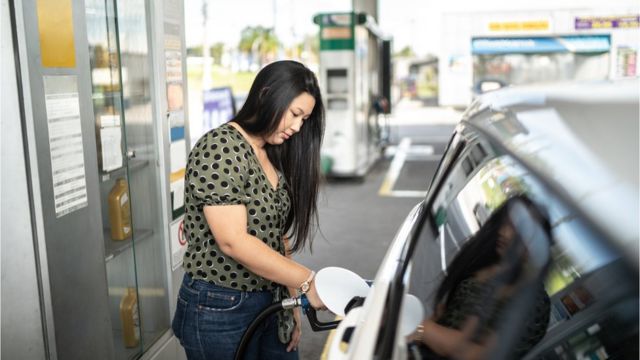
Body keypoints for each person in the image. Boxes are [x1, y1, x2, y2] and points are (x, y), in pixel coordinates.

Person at [171, 60, 326, 360]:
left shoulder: (270, 152)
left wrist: (293, 302)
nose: (297, 127)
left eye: (304, 120)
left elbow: (277, 237)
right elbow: (233, 241)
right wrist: (307, 280)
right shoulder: (220, 147)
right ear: (267, 94)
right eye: (295, 114)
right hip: (219, 307)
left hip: (272, 301)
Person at [410, 196, 551, 360]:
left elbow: (479, 354)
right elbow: (443, 316)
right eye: (505, 224)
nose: (504, 233)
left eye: (518, 229)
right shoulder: (491, 265)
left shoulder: (534, 304)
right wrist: (418, 332)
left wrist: (422, 329)